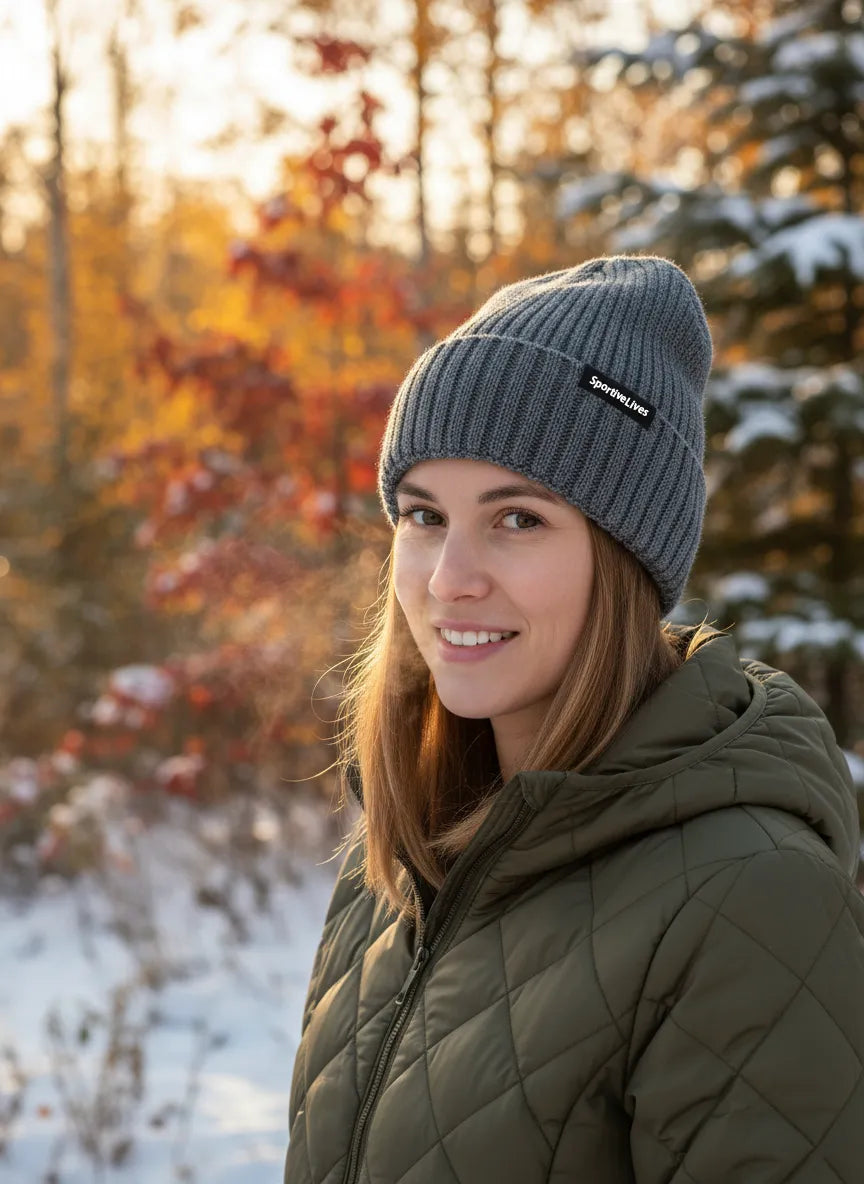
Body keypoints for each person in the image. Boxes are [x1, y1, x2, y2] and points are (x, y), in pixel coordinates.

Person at [283, 255, 864, 1184]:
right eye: (425, 515)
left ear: (625, 558)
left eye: (518, 520)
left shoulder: (754, 901)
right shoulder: (399, 861)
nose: (447, 579)